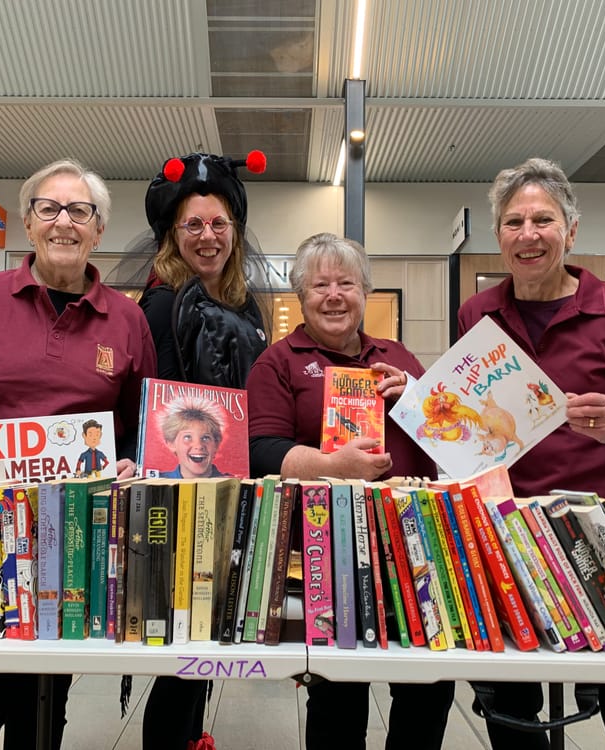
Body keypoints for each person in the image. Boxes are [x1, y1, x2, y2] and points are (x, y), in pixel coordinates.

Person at [0, 158, 157, 749]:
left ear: (98, 230)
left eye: (80, 211)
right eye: (50, 208)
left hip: (68, 543)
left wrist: (131, 461)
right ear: (27, 222)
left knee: (41, 712)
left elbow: (142, 427)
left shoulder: (127, 319)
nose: (63, 222)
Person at [459, 157, 605, 750]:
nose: (527, 235)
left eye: (543, 220)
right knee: (513, 708)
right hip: (514, 539)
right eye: (512, 222)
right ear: (499, 236)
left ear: (571, 230)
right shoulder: (477, 316)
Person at [247, 232, 456, 750]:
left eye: (347, 283)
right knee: (339, 692)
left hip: (411, 544)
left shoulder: (397, 355)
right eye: (320, 285)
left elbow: (450, 430)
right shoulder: (278, 361)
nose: (334, 295)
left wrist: (415, 395)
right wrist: (329, 466)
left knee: (430, 684)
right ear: (300, 295)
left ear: (365, 292)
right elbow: (260, 450)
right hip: (326, 551)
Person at [135, 151, 269, 749]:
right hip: (183, 489)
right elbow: (158, 397)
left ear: (235, 231)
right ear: (173, 233)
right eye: (194, 225)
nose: (208, 236)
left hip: (228, 481)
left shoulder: (244, 303)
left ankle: (191, 738)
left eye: (219, 224)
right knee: (182, 652)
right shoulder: (165, 302)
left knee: (204, 649)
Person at [158, 397, 227, 479]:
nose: (198, 446)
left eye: (205, 438)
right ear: (171, 444)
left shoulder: (233, 483)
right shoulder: (156, 482)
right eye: (187, 437)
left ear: (216, 445)